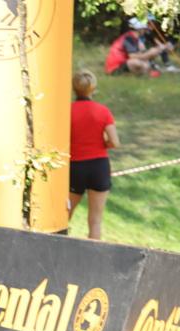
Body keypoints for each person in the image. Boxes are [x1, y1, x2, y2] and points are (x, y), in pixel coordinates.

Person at [69, 70, 120, 240]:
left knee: (64, 216)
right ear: (93, 88)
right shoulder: (103, 111)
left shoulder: (67, 110)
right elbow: (115, 142)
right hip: (99, 165)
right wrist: (103, 144)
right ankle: (94, 254)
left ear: (74, 88)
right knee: (95, 221)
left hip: (75, 166)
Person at [104, 17, 173, 77]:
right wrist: (149, 53)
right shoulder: (128, 38)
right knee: (136, 62)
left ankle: (147, 72)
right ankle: (146, 72)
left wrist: (156, 51)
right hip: (115, 68)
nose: (145, 30)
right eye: (144, 29)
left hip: (123, 63)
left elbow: (140, 53)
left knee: (145, 62)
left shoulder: (134, 38)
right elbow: (133, 56)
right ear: (139, 29)